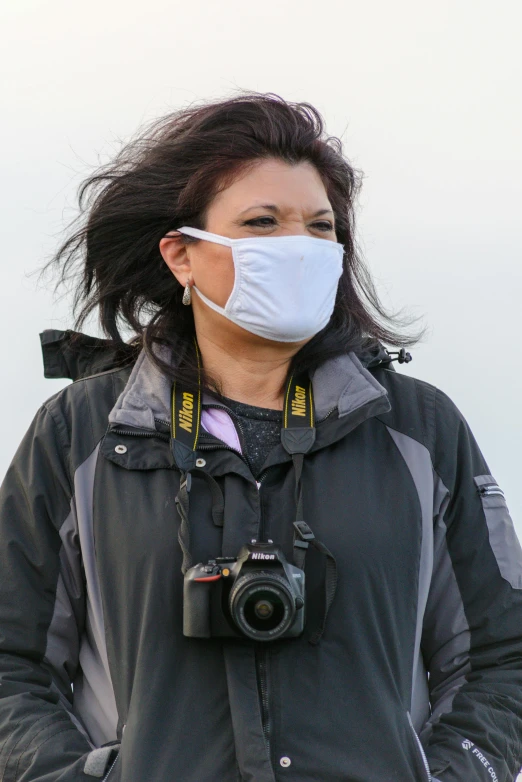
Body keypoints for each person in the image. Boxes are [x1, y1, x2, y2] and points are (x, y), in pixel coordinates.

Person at [0, 94, 521, 782]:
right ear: (182, 255)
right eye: (262, 223)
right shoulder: (83, 434)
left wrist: (454, 774)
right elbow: (12, 660)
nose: (298, 248)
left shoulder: (417, 430)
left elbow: (501, 657)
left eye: (319, 226)